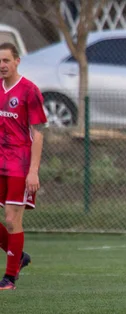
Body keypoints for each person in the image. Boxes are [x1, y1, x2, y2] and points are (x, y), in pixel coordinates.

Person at [0, 42, 45, 290]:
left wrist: (33, 171)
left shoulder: (29, 91)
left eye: (6, 60)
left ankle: (9, 278)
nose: (2, 66)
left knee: (11, 219)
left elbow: (37, 134)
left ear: (17, 61)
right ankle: (17, 255)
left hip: (19, 163)